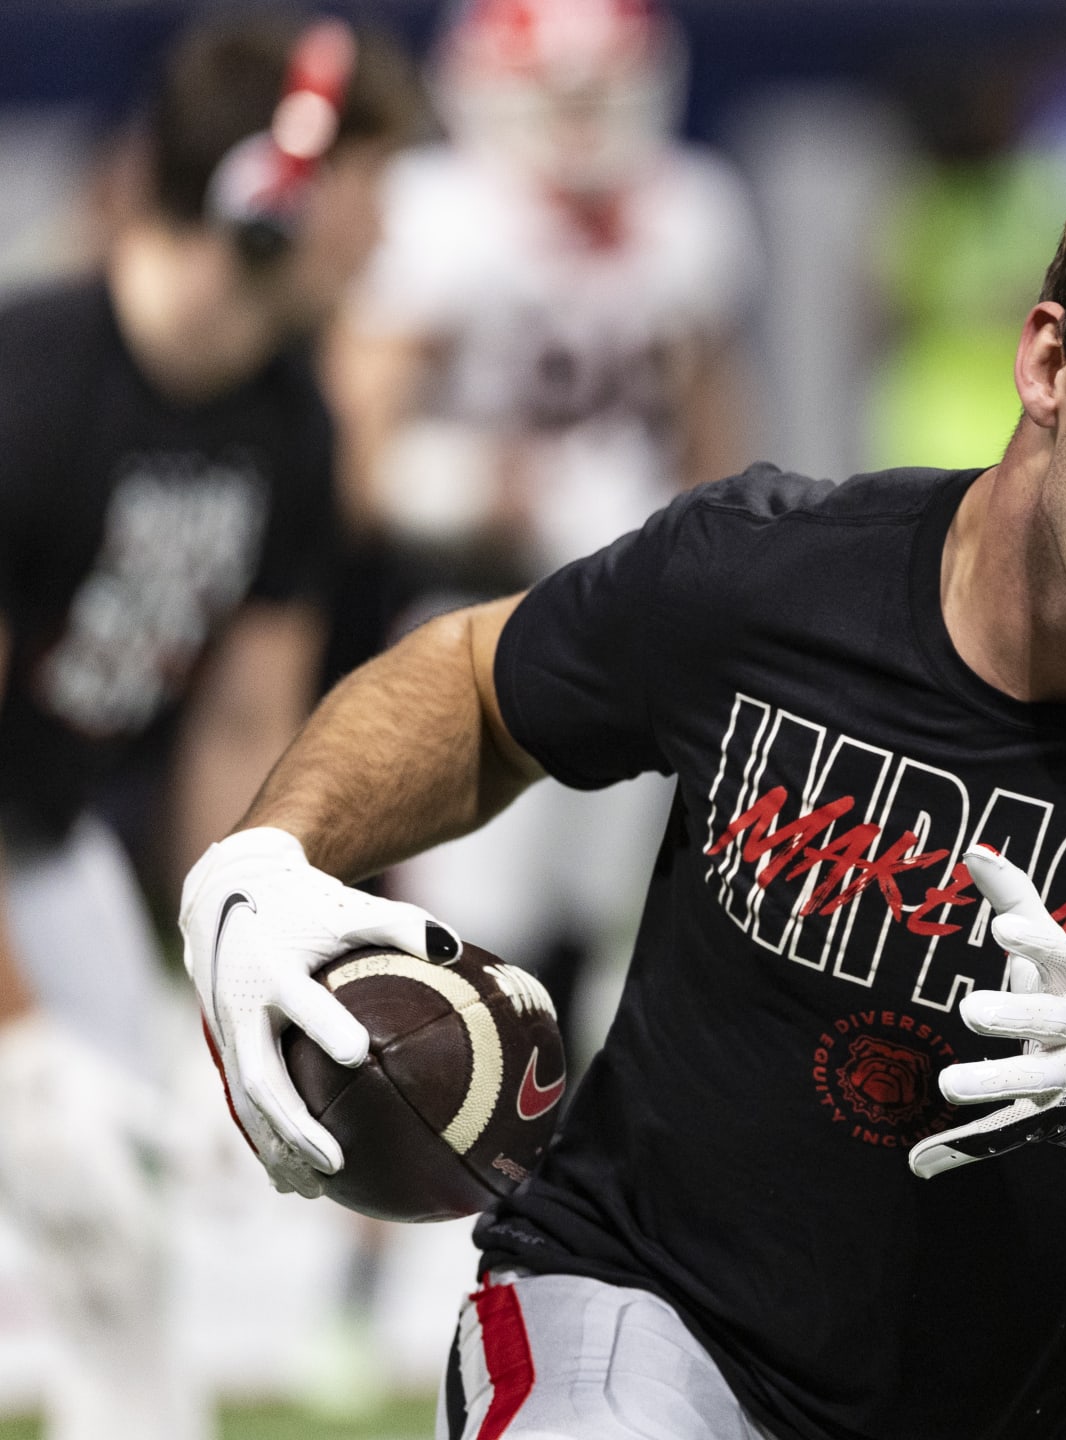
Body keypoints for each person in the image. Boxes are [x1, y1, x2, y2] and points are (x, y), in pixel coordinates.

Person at [181, 114, 1066, 1440]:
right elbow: (472, 682)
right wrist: (266, 857)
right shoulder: (770, 580)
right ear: (1049, 362)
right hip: (646, 1308)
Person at [0, 15, 421, 1438]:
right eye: (365, 190)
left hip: (36, 829)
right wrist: (16, 1029)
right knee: (62, 1117)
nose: (382, 233)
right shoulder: (28, 385)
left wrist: (233, 955)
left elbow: (243, 727)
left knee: (122, 1205)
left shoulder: (289, 423)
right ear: (271, 189)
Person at [325, 0, 761, 1052]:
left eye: (599, 93)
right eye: (553, 95)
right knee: (466, 933)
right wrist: (481, 487)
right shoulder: (442, 213)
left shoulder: (690, 209)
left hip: (636, 622)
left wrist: (713, 562)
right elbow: (354, 458)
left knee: (614, 932)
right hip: (482, 615)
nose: (579, 123)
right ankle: (419, 1199)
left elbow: (715, 436)